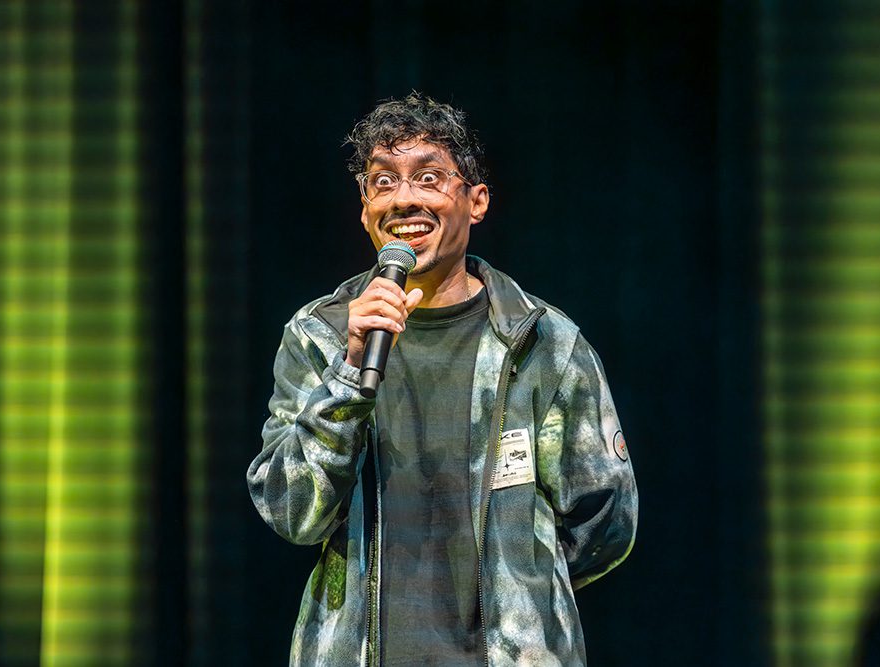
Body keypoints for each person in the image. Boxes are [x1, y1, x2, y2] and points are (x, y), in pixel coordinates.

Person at [247, 92, 638, 666]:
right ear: (363, 208)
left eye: (429, 178)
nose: (404, 199)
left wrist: (521, 595)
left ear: (476, 201)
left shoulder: (544, 343)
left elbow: (604, 519)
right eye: (383, 182)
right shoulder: (320, 336)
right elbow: (292, 512)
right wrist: (351, 375)